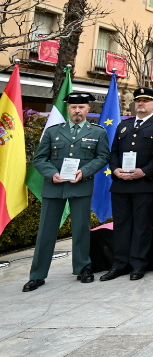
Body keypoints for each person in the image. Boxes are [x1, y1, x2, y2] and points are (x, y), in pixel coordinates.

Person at [23, 93, 110, 292]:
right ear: (68, 110)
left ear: (88, 109)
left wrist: (85, 171)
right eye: (73, 107)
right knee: (46, 231)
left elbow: (103, 156)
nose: (77, 111)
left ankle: (83, 268)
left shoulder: (98, 132)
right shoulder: (53, 132)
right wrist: (52, 174)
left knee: (81, 230)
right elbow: (39, 159)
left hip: (81, 184)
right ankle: (37, 275)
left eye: (81, 107)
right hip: (55, 186)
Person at [101, 87, 153, 282]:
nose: (141, 103)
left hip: (144, 183)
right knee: (121, 225)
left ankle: (139, 264)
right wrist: (115, 170)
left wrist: (144, 171)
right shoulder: (124, 125)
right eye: (138, 100)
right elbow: (113, 153)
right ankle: (119, 264)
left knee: (141, 225)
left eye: (146, 101)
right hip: (121, 183)